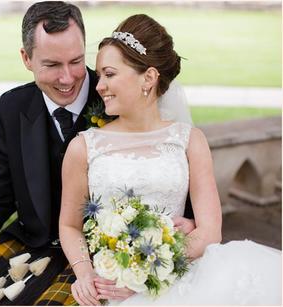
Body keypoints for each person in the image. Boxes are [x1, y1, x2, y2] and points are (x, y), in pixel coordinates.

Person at [0, 3, 195, 306]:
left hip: (107, 262)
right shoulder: (12, 108)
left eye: (76, 61)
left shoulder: (122, 98)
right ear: (26, 58)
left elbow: (168, 174)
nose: (67, 78)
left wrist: (187, 224)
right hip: (30, 246)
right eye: (51, 65)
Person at [59, 13, 282, 306]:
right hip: (110, 285)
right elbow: (70, 225)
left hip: (182, 273)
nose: (99, 85)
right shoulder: (84, 147)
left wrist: (146, 271)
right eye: (99, 75)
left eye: (109, 74)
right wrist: (85, 273)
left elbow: (210, 231)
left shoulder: (189, 141)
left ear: (149, 78)